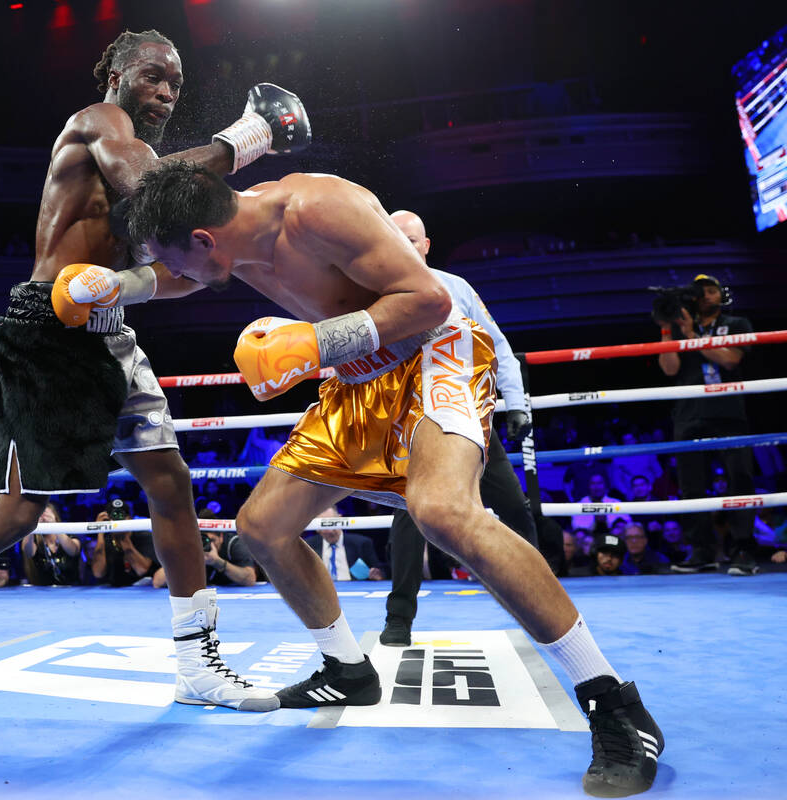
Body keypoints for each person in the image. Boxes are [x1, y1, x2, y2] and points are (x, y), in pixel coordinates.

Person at [122, 162, 663, 797]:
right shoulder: (223, 239)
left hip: (434, 351)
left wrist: (315, 343)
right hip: (358, 377)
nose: (176, 275)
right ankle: (347, 670)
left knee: (442, 511)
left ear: (204, 239)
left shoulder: (317, 208)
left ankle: (612, 700)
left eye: (176, 260)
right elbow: (179, 275)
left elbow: (430, 298)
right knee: (262, 528)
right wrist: (113, 288)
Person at [0, 29, 308, 721]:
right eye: (152, 76)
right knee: (20, 512)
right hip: (45, 334)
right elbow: (151, 183)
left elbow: (187, 274)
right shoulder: (97, 122)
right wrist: (247, 138)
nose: (165, 93)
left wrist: (126, 284)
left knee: (170, 483)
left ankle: (195, 662)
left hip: (109, 331)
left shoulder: (148, 186)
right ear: (117, 76)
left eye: (175, 85)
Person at [379, 210, 539, 647]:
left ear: (425, 245)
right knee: (409, 514)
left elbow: (497, 344)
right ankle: (398, 618)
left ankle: (539, 602)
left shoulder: (457, 287)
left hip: (471, 416)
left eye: (412, 240)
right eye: (395, 238)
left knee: (516, 509)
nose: (404, 246)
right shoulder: (373, 293)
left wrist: (515, 403)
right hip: (414, 423)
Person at [658, 274, 759, 576]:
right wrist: (667, 329)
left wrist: (693, 335)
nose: (705, 296)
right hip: (689, 413)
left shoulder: (736, 323)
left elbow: (730, 360)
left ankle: (743, 549)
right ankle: (701, 550)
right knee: (691, 485)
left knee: (739, 478)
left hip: (728, 411)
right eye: (699, 292)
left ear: (721, 295)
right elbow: (669, 369)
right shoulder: (678, 328)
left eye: (711, 291)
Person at [154, 508, 258, 588]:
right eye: (202, 541)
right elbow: (158, 582)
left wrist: (217, 562)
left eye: (212, 540)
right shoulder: (190, 546)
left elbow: (250, 579)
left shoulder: (233, 544)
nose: (207, 544)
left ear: (221, 537)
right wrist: (186, 558)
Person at [303, 506, 385, 582]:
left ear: (340, 519)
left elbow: (381, 571)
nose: (330, 530)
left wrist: (378, 575)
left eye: (332, 522)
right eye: (324, 524)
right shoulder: (308, 546)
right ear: (316, 527)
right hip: (321, 590)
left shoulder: (361, 543)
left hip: (355, 589)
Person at [22, 503, 81, 586]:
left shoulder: (68, 535)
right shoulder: (33, 540)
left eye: (47, 515)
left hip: (71, 589)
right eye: (40, 514)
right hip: (43, 590)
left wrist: (54, 524)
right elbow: (28, 552)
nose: (44, 518)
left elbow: (73, 551)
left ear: (55, 516)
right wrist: (32, 524)